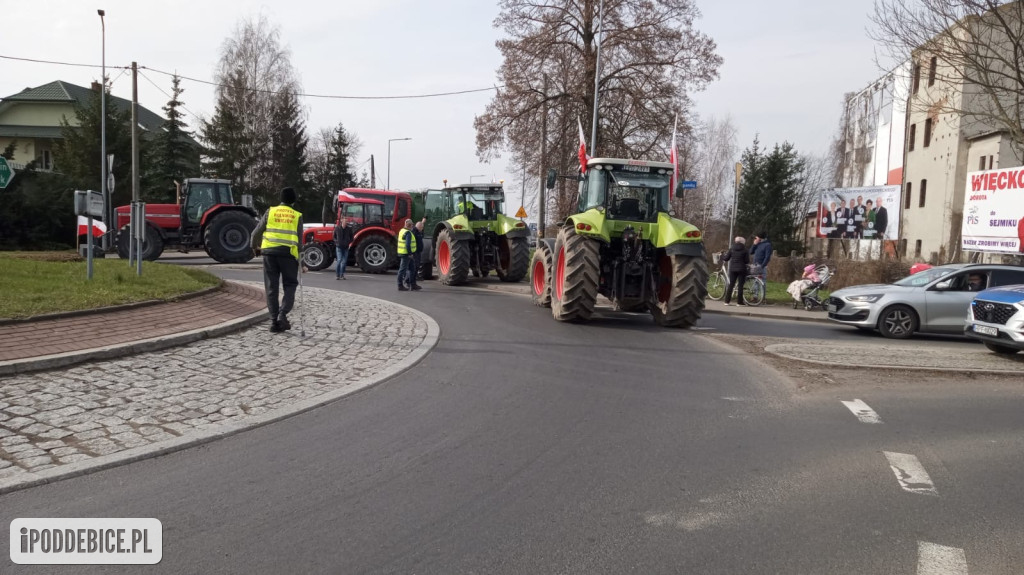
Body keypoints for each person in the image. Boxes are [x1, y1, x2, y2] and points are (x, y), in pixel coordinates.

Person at [251, 187, 305, 333]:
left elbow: (255, 233)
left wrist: (254, 247)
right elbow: (300, 243)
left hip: (269, 254)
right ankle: (283, 313)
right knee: (290, 285)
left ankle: (274, 322)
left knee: (271, 287)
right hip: (288, 255)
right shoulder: (296, 215)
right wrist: (302, 263)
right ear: (293, 201)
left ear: (281, 199)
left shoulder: (271, 211)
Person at [720, 236, 750, 306]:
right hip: (742, 269)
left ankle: (727, 301)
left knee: (731, 285)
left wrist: (722, 256)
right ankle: (739, 302)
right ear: (743, 242)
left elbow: (726, 258)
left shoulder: (732, 249)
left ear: (736, 241)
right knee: (740, 285)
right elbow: (746, 261)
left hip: (733, 269)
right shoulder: (745, 250)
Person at [396, 219, 416, 291]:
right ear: (410, 225)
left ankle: (412, 284)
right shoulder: (408, 233)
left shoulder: (402, 231)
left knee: (411, 269)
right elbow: (408, 245)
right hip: (406, 254)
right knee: (403, 270)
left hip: (403, 253)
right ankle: (400, 285)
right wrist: (410, 253)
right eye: (412, 225)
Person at [409, 217, 426, 291]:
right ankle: (410, 283)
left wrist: (423, 222)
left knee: (416, 268)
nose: (422, 229)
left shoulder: (418, 232)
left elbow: (422, 235)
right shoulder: (414, 232)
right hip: (414, 252)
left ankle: (413, 283)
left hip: (418, 252)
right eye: (422, 228)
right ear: (418, 227)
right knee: (414, 268)